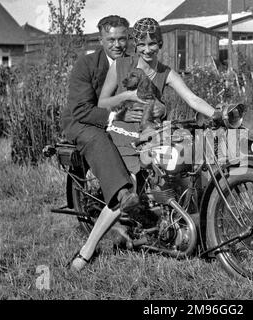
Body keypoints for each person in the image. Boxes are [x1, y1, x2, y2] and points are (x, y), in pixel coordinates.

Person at [61, 15, 166, 272]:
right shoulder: (86, 64)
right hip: (84, 122)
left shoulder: (131, 63)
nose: (117, 44)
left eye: (122, 38)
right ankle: (122, 195)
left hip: (120, 120)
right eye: (111, 40)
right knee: (100, 142)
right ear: (101, 40)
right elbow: (81, 109)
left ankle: (160, 211)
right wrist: (116, 115)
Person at [98, 17, 218, 172]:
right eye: (142, 44)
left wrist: (218, 114)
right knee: (131, 180)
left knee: (180, 166)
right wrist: (126, 97)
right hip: (122, 133)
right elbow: (102, 103)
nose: (147, 50)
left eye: (152, 44)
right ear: (135, 44)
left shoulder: (166, 72)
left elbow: (193, 99)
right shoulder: (120, 65)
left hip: (152, 133)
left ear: (160, 44)